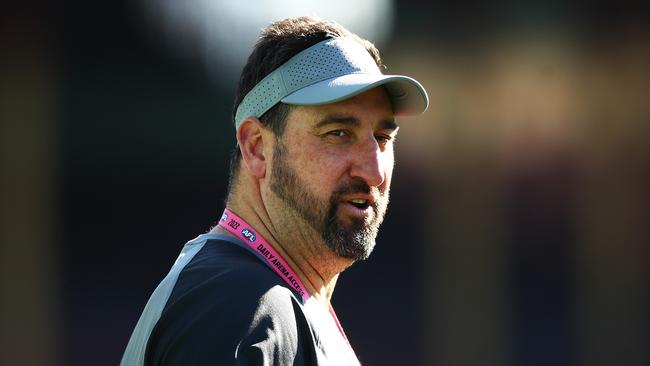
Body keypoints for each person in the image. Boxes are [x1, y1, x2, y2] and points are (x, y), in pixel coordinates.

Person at [121, 16, 428, 365]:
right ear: (256, 147)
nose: (374, 172)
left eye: (383, 138)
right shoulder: (237, 304)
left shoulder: (270, 299)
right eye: (338, 133)